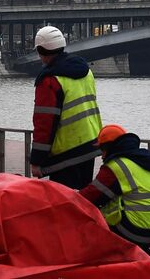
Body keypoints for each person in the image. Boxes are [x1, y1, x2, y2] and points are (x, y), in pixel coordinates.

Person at [29, 25, 102, 189]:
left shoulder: (50, 80)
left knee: (64, 205)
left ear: (41, 50)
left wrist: (37, 160)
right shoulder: (86, 72)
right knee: (82, 200)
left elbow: (44, 123)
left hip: (66, 153)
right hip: (90, 144)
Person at [80, 124, 150, 251]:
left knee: (88, 222)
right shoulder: (143, 163)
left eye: (102, 150)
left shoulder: (116, 166)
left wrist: (69, 196)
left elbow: (91, 197)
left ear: (108, 147)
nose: (102, 156)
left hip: (134, 230)